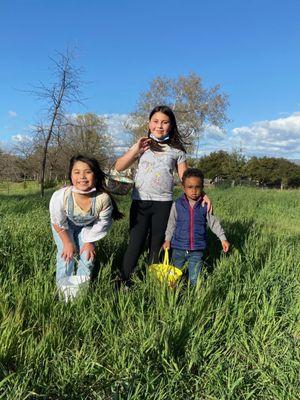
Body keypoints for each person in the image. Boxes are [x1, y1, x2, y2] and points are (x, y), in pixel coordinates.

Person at [115, 105, 211, 285]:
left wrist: (202, 194)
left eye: (165, 122)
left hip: (164, 205)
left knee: (157, 245)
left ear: (171, 125)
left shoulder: (177, 150)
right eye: (155, 121)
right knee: (135, 243)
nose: (159, 126)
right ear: (149, 123)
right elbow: (119, 167)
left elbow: (185, 178)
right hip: (140, 203)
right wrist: (137, 148)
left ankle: (154, 281)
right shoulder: (142, 145)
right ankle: (124, 280)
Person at [49, 154, 123, 289]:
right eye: (77, 172)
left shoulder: (103, 199)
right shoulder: (61, 196)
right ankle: (63, 290)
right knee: (66, 256)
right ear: (70, 175)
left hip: (89, 228)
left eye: (88, 172)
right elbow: (57, 221)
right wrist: (67, 243)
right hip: (64, 228)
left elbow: (101, 224)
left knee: (87, 256)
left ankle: (81, 289)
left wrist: (89, 242)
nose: (82, 177)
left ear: (95, 175)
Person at [163, 168, 230, 285]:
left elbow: (213, 222)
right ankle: (172, 297)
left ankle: (196, 298)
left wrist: (223, 238)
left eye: (197, 187)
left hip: (197, 250)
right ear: (183, 187)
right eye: (190, 187)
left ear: (202, 188)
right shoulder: (177, 205)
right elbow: (171, 223)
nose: (194, 191)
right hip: (178, 248)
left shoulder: (205, 205)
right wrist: (167, 240)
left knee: (195, 278)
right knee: (174, 277)